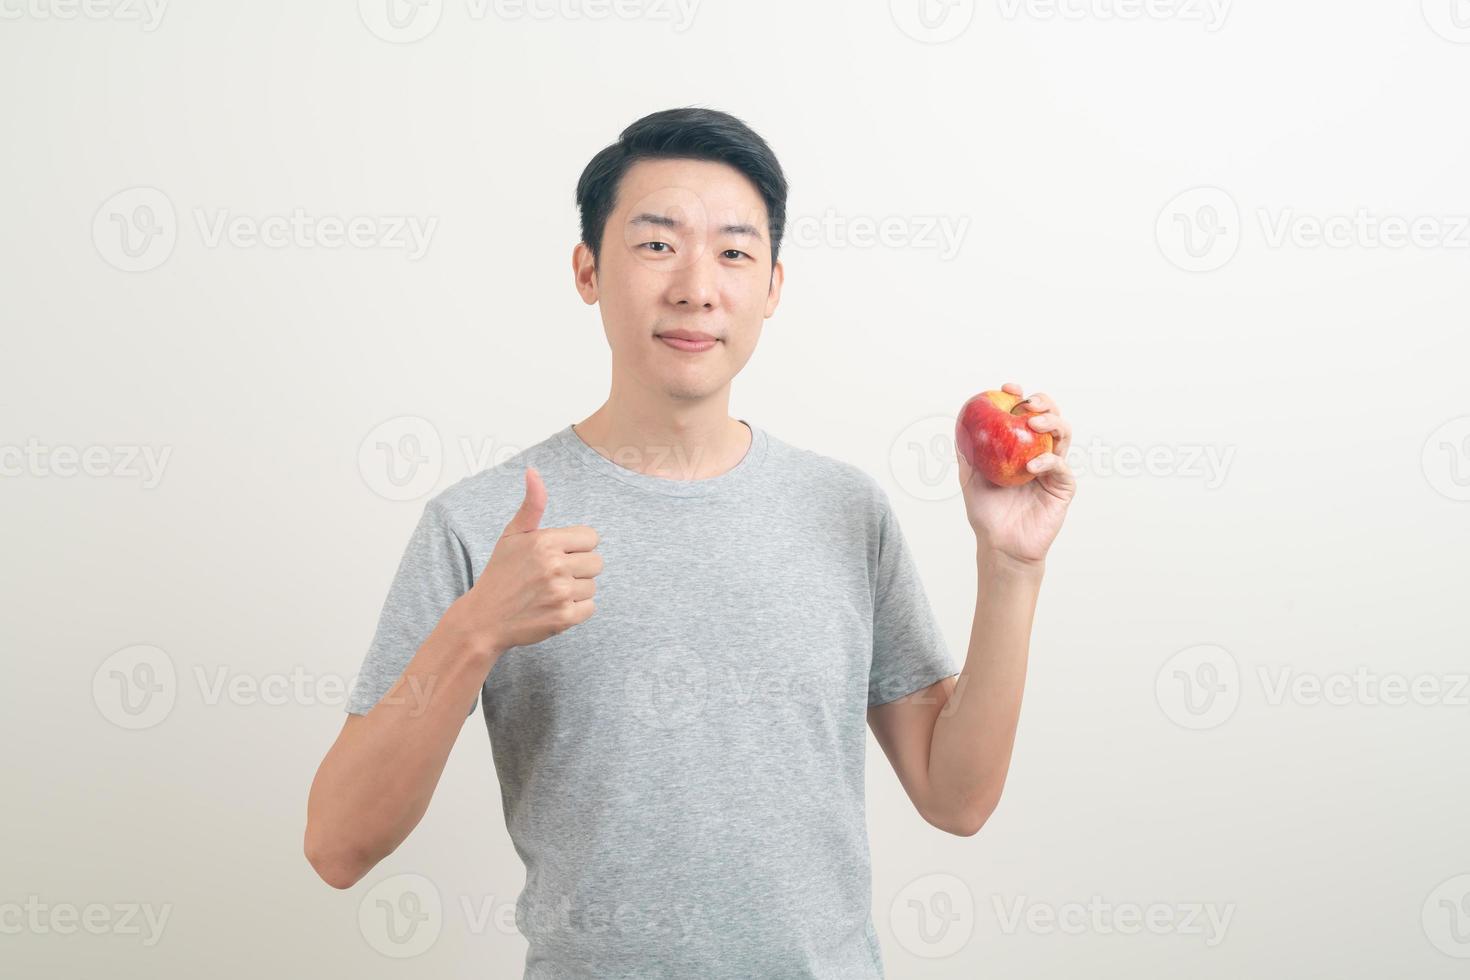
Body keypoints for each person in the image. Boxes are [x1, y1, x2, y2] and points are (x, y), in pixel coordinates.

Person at [304, 105, 1076, 978]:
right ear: (588, 270)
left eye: (735, 252)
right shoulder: (481, 522)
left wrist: (1011, 566)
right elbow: (338, 845)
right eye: (657, 244)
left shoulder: (844, 510)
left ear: (774, 288)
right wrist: (476, 630)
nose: (696, 287)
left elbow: (957, 797)